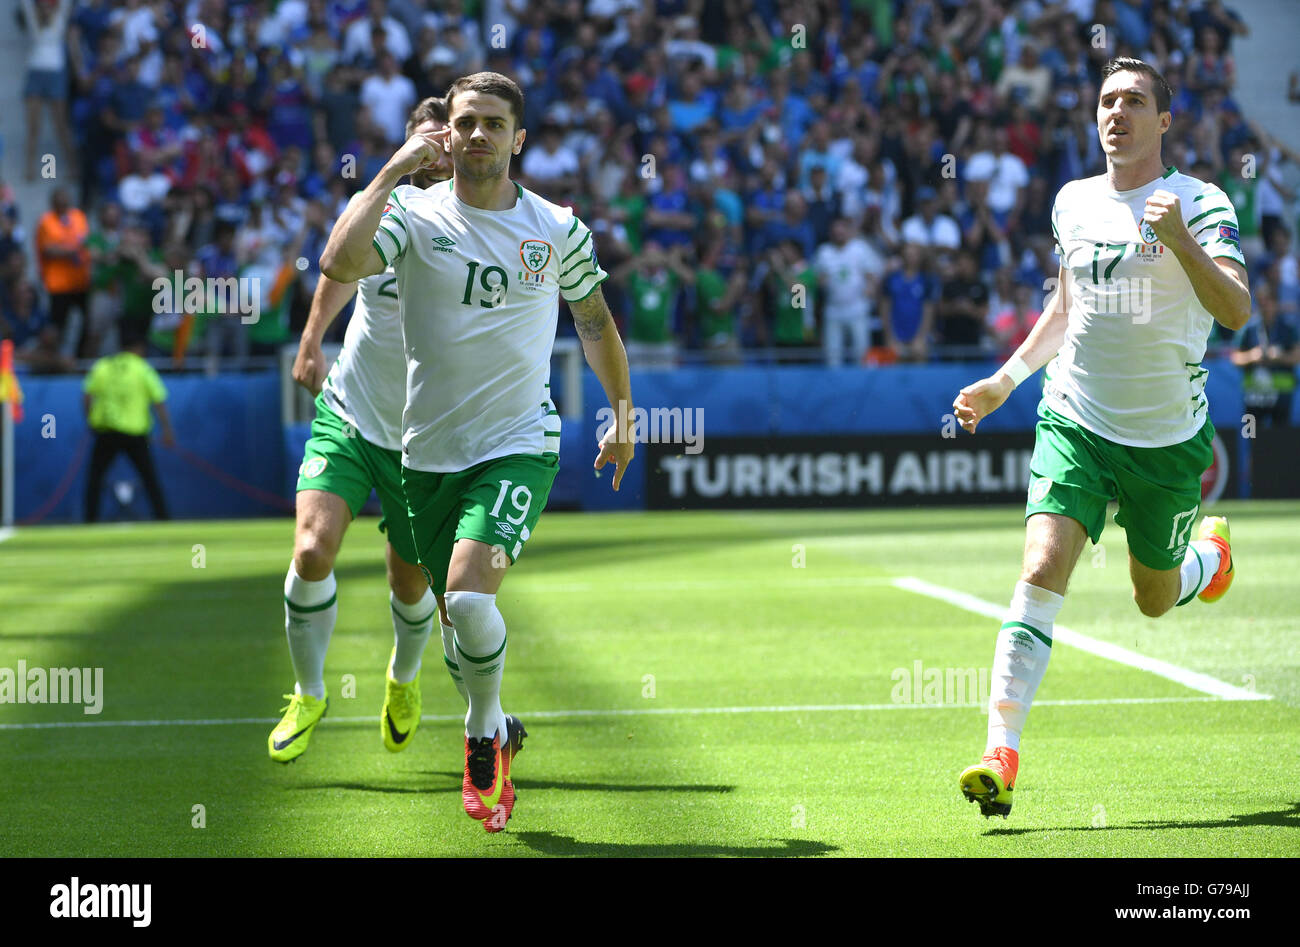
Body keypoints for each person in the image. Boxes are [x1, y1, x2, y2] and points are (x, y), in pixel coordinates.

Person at [319, 72, 635, 832]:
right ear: (446, 133)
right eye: (466, 122)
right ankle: (491, 725)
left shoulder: (557, 228)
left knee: (466, 595)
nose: (479, 135)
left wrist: (622, 411)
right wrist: (393, 168)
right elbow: (338, 263)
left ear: (518, 138)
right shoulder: (413, 216)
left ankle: (481, 732)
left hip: (519, 441)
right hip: (425, 452)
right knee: (451, 614)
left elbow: (594, 322)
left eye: (495, 123)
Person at [951, 57, 1251, 819]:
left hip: (1166, 441)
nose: (1116, 112)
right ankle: (1000, 750)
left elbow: (1237, 310)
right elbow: (1066, 306)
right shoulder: (1073, 202)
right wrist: (1004, 380)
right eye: (1106, 100)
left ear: (1164, 121)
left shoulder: (1202, 202)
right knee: (1041, 563)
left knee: (1153, 598)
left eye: (1134, 101)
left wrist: (1180, 239)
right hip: (1075, 418)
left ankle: (1206, 559)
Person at [268, 98, 453, 766]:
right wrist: (313, 337)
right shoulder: (386, 208)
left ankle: (403, 679)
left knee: (411, 584)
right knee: (312, 549)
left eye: (443, 145)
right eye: (421, 146)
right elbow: (336, 268)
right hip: (349, 411)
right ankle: (309, 691)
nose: (433, 156)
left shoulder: (471, 224)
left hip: (422, 439)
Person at [82, 329, 175, 522]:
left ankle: (90, 520)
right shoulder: (142, 368)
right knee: (150, 479)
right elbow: (159, 401)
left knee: (95, 479)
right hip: (135, 433)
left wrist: (91, 419)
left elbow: (87, 395)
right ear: (138, 348)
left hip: (106, 431)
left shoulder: (103, 366)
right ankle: (163, 518)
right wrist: (167, 431)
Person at [34, 188, 91, 357]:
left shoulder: (79, 216)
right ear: (53, 204)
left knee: (89, 321)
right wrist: (73, 251)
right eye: (60, 201)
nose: (64, 204)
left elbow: (86, 242)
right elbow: (48, 250)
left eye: (66, 201)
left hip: (80, 281)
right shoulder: (46, 221)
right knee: (59, 325)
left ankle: (80, 356)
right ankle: (56, 359)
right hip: (58, 284)